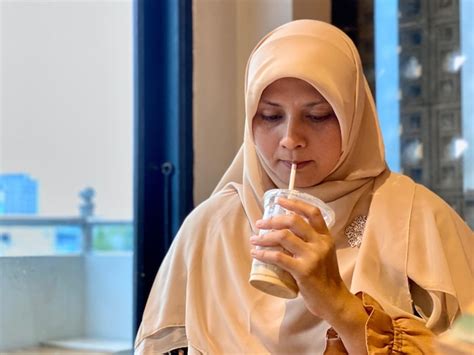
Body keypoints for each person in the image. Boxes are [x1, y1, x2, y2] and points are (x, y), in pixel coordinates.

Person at [135, 20, 473, 354]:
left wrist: (336, 301)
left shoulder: (416, 218)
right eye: (269, 116)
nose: (291, 139)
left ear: (353, 117)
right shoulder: (211, 228)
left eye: (318, 116)